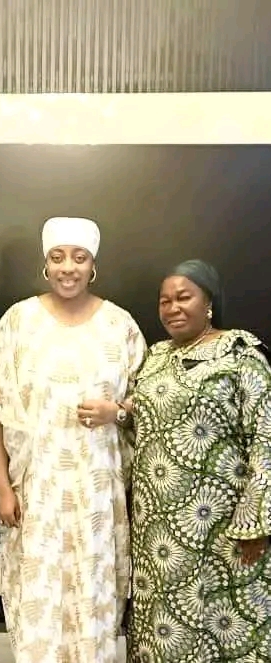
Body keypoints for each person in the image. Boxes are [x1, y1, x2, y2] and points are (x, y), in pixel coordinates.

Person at [0, 216, 147, 663]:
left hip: (97, 496)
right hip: (36, 494)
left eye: (79, 257)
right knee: (39, 601)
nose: (68, 267)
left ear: (93, 265)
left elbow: (149, 401)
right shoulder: (19, 321)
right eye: (58, 257)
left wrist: (116, 411)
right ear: (46, 264)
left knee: (91, 598)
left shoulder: (120, 325)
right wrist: (2, 487)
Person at [127, 259, 271, 663]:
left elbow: (265, 436)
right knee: (163, 626)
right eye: (164, 301)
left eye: (183, 297)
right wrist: (119, 413)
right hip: (157, 528)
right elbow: (144, 420)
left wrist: (256, 521)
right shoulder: (155, 357)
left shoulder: (240, 354)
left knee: (220, 621)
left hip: (221, 527)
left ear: (209, 302)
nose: (172, 308)